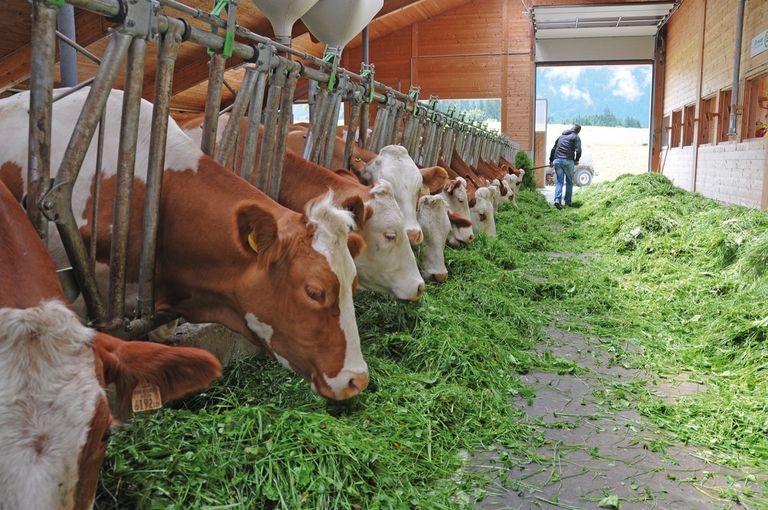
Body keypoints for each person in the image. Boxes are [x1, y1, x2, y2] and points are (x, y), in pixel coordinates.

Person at [549, 124, 582, 209]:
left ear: (571, 128)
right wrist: (577, 160)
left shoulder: (561, 136)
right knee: (569, 181)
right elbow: (578, 150)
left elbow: (553, 149)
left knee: (559, 181)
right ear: (578, 131)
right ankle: (567, 202)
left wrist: (551, 160)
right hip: (568, 161)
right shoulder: (576, 137)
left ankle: (557, 200)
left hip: (557, 161)